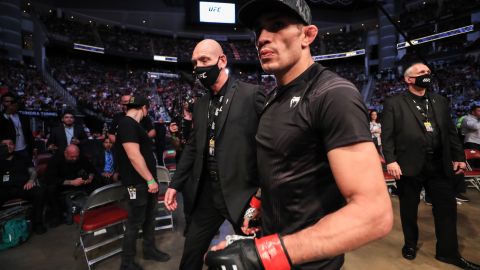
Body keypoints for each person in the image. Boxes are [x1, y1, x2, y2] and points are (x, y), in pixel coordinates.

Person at [205, 1, 393, 269]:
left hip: (309, 261)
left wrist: (262, 254)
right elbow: (283, 164)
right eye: (258, 31)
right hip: (275, 242)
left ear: (308, 35)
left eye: (277, 25)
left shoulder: (333, 95)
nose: (262, 38)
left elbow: (374, 215)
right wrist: (257, 203)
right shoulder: (272, 98)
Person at [163, 38, 264, 270]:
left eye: (204, 60)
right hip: (208, 195)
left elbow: (269, 148)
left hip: (242, 195)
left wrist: (261, 197)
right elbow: (192, 147)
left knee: (253, 259)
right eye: (195, 63)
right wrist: (174, 184)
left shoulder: (251, 95)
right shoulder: (200, 104)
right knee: (190, 258)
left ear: (222, 61)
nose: (198, 67)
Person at [382, 62, 479, 269]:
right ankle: (410, 244)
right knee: (409, 208)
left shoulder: (440, 101)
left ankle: (447, 252)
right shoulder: (394, 102)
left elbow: (451, 132)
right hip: (408, 164)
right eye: (421, 72)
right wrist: (391, 160)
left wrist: (459, 156)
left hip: (439, 164)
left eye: (428, 72)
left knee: (447, 209)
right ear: (409, 79)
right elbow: (387, 135)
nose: (427, 75)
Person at [115, 95, 170, 270]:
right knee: (134, 222)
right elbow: (133, 155)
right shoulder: (127, 124)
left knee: (149, 219)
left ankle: (149, 250)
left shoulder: (134, 125)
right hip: (137, 184)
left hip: (145, 183)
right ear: (144, 108)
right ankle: (127, 263)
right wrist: (150, 180)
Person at [0, 137, 47, 234]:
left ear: (14, 146)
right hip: (4, 190)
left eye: (11, 144)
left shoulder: (22, 157)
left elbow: (33, 171)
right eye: (5, 145)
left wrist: (31, 180)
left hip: (23, 187)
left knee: (39, 192)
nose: (8, 146)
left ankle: (37, 223)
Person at [44, 144, 98, 226]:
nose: (75, 159)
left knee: (97, 180)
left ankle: (93, 208)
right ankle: (58, 216)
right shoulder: (55, 159)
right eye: (72, 157)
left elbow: (91, 170)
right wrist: (71, 182)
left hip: (79, 182)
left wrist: (90, 177)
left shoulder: (80, 157)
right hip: (62, 183)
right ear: (65, 153)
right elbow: (50, 178)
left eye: (76, 156)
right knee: (51, 189)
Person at [0, 92, 35, 160]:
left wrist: (34, 147)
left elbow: (29, 133)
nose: (10, 103)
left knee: (27, 169)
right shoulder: (2, 117)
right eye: (7, 101)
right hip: (8, 152)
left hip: (24, 149)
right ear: (2, 103)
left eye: (12, 101)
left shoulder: (23, 117)